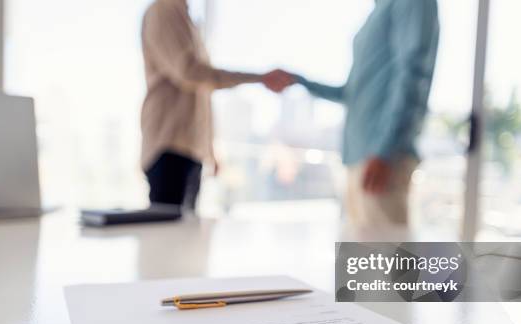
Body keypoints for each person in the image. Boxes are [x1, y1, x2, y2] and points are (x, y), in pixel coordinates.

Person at [281, 0, 440, 228]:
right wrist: (299, 81)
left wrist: (385, 151)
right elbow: (353, 92)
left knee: (390, 259)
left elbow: (413, 75)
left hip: (381, 159)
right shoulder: (380, 8)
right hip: (359, 156)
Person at [140, 0, 291, 209]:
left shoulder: (187, 19)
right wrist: (259, 78)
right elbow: (190, 74)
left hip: (190, 148)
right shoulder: (163, 10)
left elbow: (201, 92)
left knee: (186, 233)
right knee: (167, 232)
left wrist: (210, 149)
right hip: (168, 145)